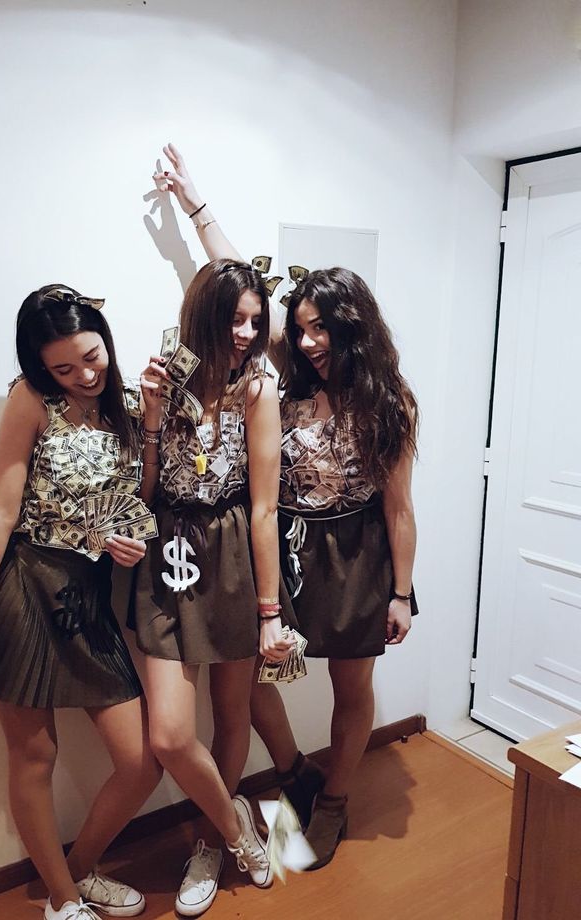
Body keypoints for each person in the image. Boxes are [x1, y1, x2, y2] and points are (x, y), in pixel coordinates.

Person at [154, 144, 419, 870]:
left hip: (360, 553)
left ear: (353, 327)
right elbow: (240, 283)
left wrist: (400, 593)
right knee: (259, 674)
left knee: (350, 683)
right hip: (291, 550)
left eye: (322, 328)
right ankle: (295, 770)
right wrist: (194, 206)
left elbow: (399, 508)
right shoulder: (287, 372)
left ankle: (332, 801)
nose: (306, 339)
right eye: (298, 327)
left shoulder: (388, 401)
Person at [0, 284, 163, 920]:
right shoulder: (30, 398)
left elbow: (135, 495)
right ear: (40, 366)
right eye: (63, 367)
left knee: (140, 759)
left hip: (87, 596)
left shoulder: (123, 398)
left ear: (106, 339)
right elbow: (1, 506)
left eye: (92, 357)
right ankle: (63, 904)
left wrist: (126, 534)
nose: (84, 375)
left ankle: (78, 871)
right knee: (36, 755)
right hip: (26, 587)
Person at [132, 259, 294, 916]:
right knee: (170, 734)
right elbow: (139, 497)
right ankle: (238, 830)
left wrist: (268, 613)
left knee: (233, 715)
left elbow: (263, 509)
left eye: (257, 321)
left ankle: (206, 845)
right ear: (204, 315)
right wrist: (147, 419)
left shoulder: (258, 390)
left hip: (232, 558)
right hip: (170, 553)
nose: (248, 333)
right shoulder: (162, 375)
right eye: (237, 318)